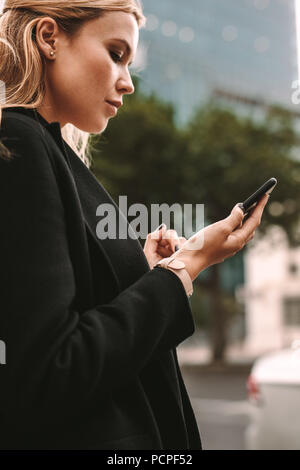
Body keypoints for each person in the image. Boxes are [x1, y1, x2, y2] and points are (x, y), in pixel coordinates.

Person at [0, 1, 268, 450]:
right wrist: (184, 268)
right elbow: (51, 373)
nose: (127, 82)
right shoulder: (19, 143)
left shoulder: (50, 149)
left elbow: (73, 311)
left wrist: (135, 273)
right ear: (49, 38)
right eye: (115, 53)